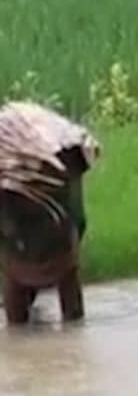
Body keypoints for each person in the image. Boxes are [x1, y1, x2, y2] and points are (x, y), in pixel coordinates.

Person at [0, 100, 100, 325]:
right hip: (30, 246)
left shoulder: (61, 161)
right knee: (23, 303)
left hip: (53, 241)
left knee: (29, 310)